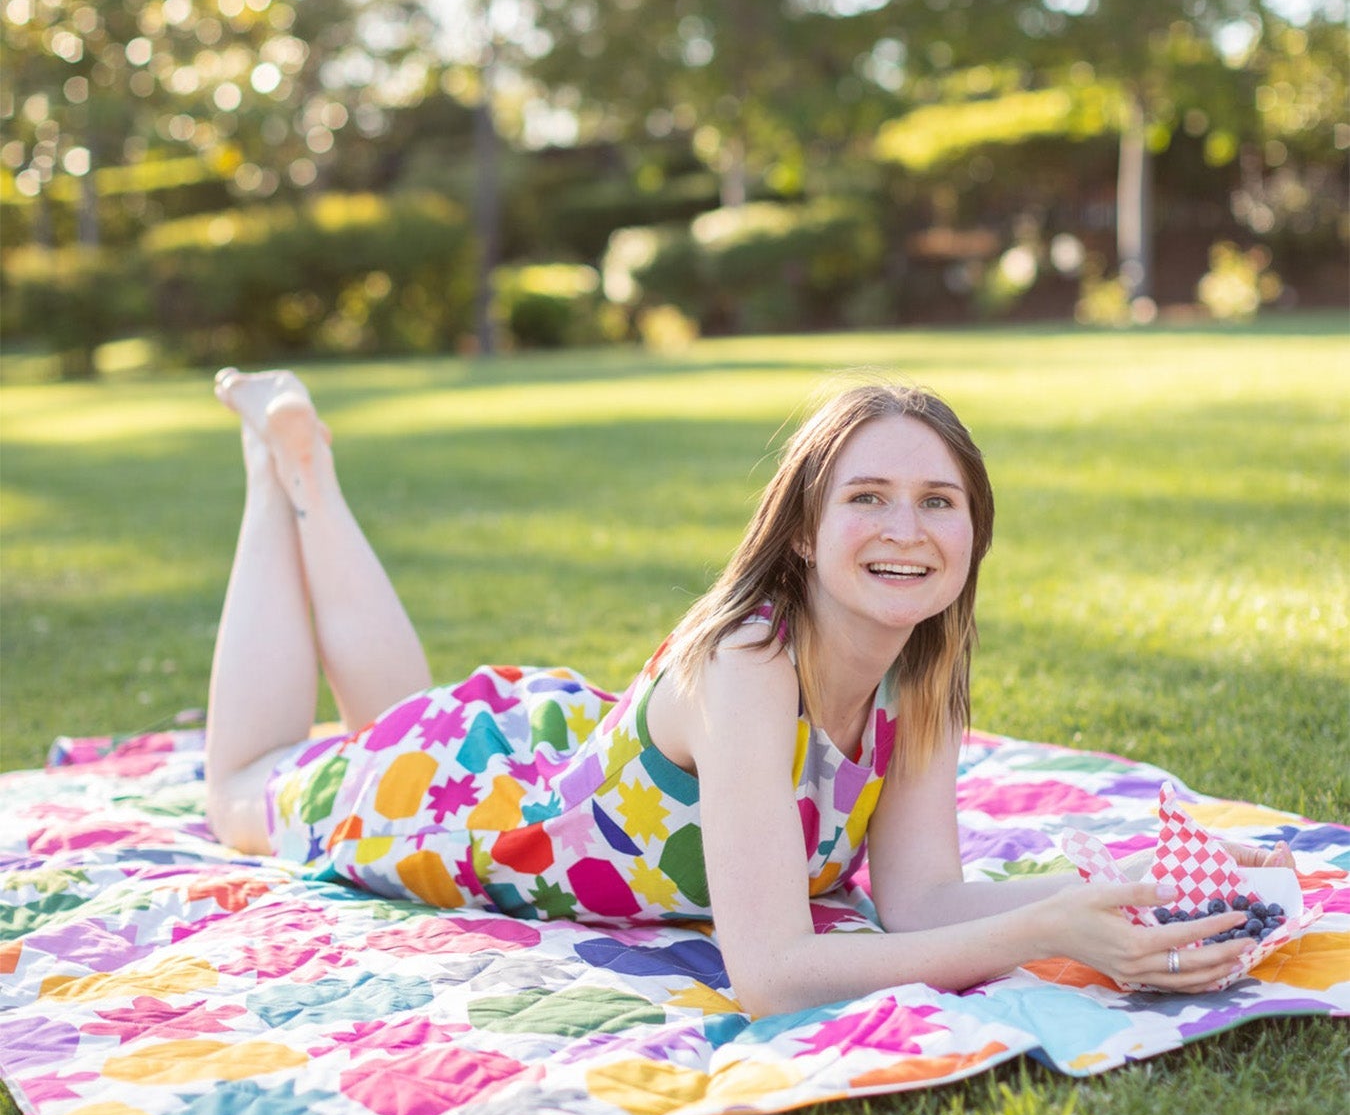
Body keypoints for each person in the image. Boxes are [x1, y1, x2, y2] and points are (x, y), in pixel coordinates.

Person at [204, 368, 1290, 1017]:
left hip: (542, 747)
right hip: (478, 807)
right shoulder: (751, 660)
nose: (907, 530)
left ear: (975, 531)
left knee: (390, 718)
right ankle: (274, 474)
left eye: (938, 502)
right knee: (248, 787)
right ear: (806, 530)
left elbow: (918, 905)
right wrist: (1046, 930)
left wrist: (1130, 891)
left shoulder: (923, 672)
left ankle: (311, 475)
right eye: (868, 497)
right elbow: (770, 974)